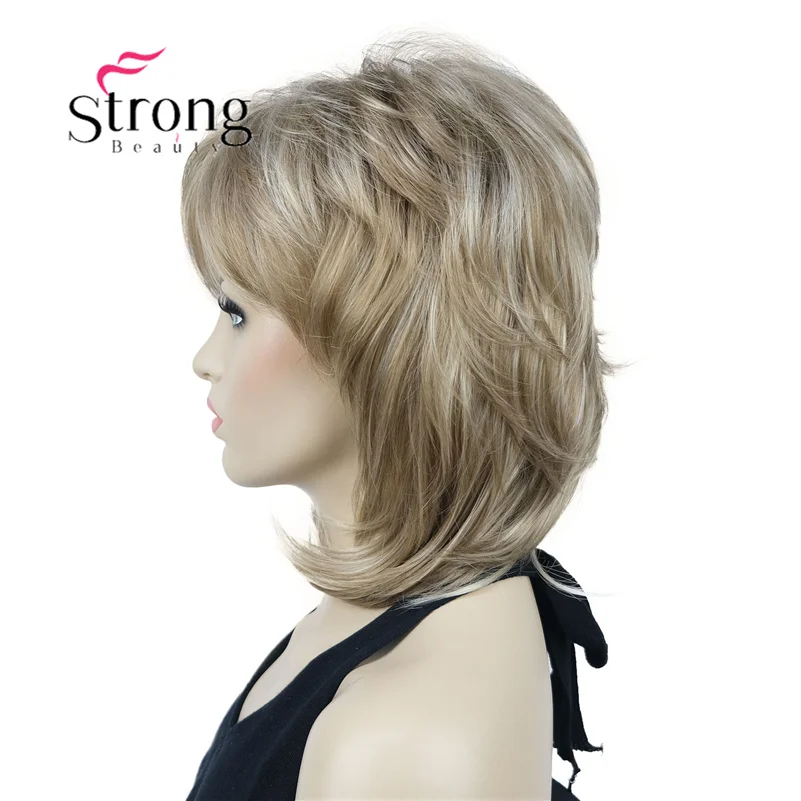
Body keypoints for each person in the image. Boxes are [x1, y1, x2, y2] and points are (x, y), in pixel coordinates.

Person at [185, 30, 622, 800]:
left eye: (238, 312)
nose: (206, 358)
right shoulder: (398, 621)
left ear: (385, 339)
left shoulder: (396, 737)